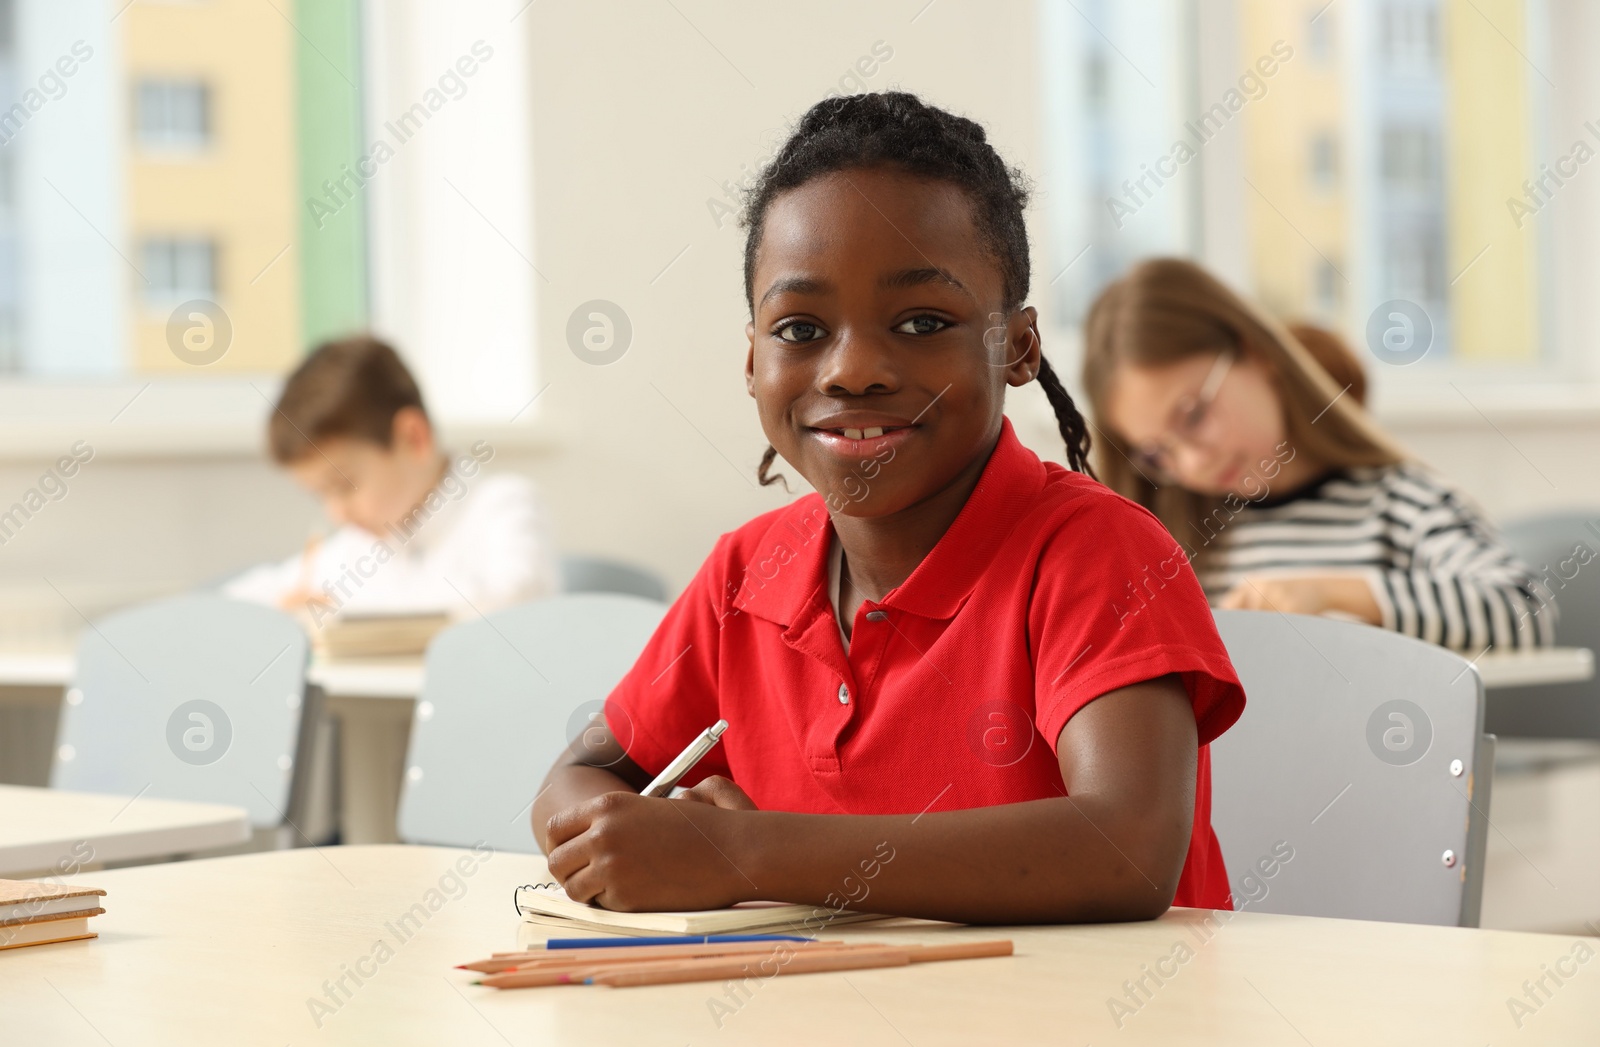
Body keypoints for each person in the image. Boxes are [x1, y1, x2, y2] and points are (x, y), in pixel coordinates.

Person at [530, 92, 1246, 924]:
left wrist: (743, 855)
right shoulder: (744, 573)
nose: (854, 370)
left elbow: (1125, 846)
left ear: (1016, 347)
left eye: (920, 320)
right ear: (753, 360)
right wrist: (622, 832)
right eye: (800, 329)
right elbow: (574, 782)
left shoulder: (1097, 552)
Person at [1082, 257, 1553, 651]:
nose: (1192, 463)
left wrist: (1333, 593)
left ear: (1256, 353)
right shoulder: (1178, 546)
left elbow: (1526, 611)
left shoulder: (1399, 503)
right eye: (1158, 453)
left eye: (1192, 417)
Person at [225, 336, 558, 623]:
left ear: (414, 438)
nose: (336, 514)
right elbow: (247, 596)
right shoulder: (360, 545)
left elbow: (515, 598)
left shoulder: (503, 504)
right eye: (321, 496)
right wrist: (282, 612)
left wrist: (344, 611)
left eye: (343, 486)